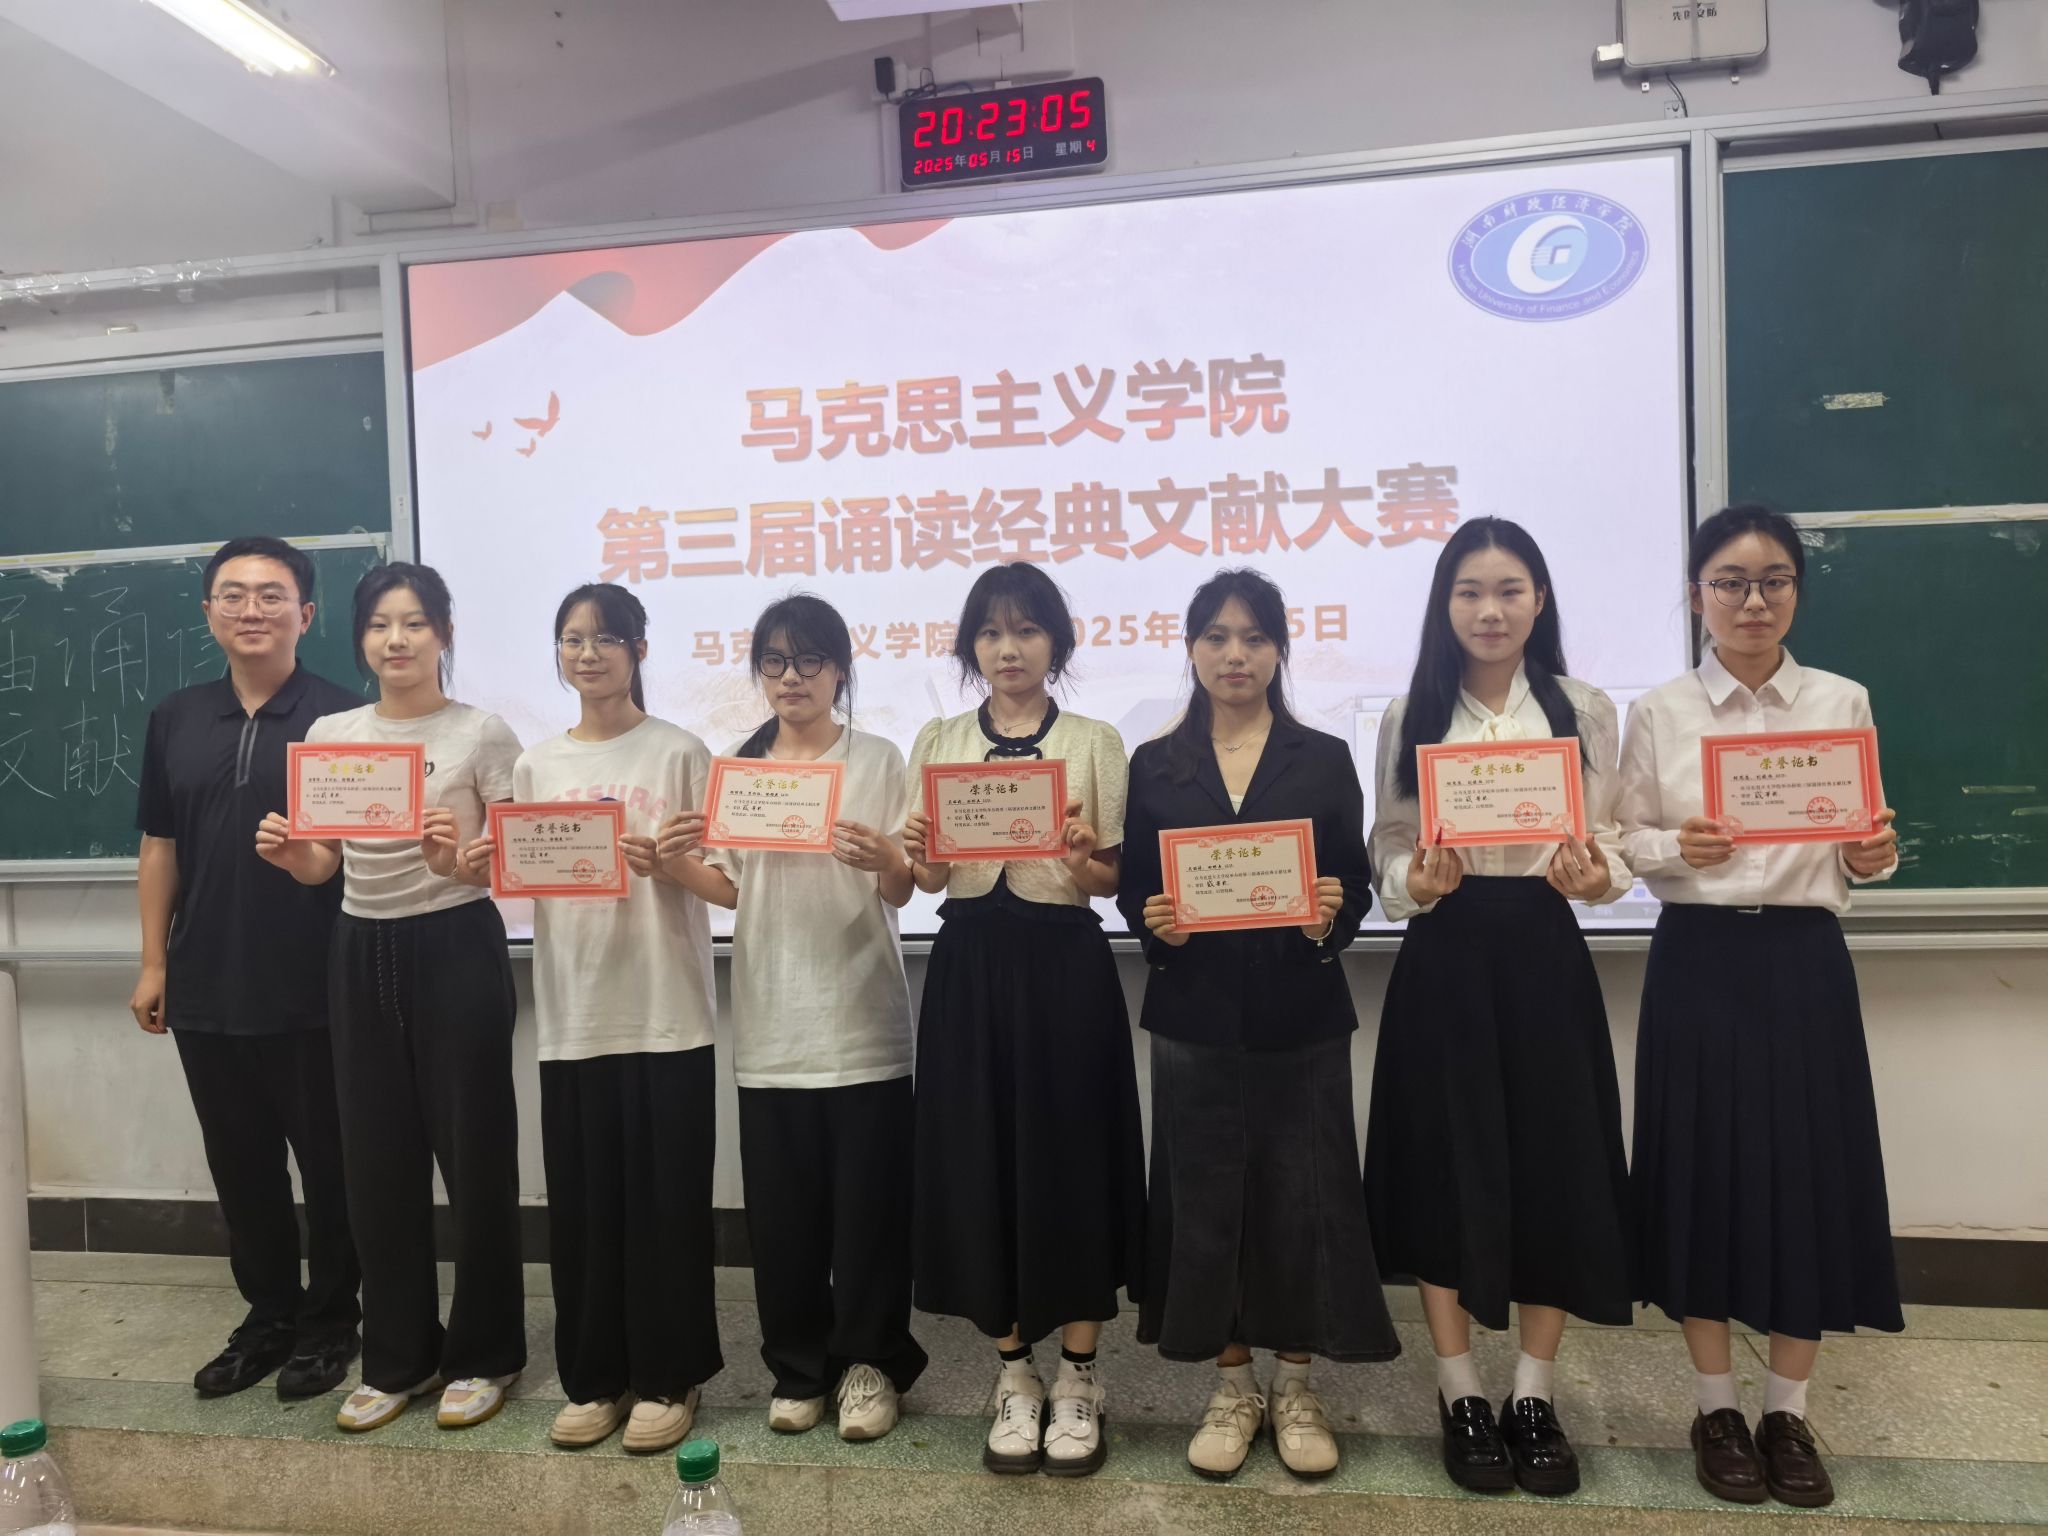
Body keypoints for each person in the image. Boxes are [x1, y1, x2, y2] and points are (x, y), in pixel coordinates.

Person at [1617, 503, 1903, 1510]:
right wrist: (1673, 849)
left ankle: (1786, 1410)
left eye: (1772, 580)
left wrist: (1872, 853)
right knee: (1700, 1173)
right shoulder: (1659, 710)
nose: (1752, 600)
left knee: (1804, 1176)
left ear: (1795, 592)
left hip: (1801, 960)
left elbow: (1862, 843)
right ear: (1696, 593)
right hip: (1697, 960)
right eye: (1729, 582)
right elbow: (1623, 840)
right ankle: (1714, 1408)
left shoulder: (1840, 698)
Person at [1362, 517, 1633, 1497]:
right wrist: (1414, 880)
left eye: (1509, 589)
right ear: (1445, 606)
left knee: (1552, 1165)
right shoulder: (1410, 713)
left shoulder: (1584, 709)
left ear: (1539, 600)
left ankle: (1531, 1392)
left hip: (1542, 955)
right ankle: (1460, 1389)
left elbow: (1607, 844)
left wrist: (1596, 875)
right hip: (1446, 953)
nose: (1489, 610)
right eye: (1469, 591)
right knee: (1444, 1163)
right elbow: (1388, 842)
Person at [1118, 568, 1396, 1482]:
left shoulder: (1321, 757)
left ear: (1279, 649)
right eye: (1216, 637)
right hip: (1193, 1014)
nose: (1234, 655)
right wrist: (1155, 924)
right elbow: (1135, 889)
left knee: (1303, 1196)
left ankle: (1296, 1384)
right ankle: (1232, 1385)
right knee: (1203, 1204)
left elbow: (1352, 884)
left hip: (1299, 1012)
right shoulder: (1154, 763)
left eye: (1254, 638)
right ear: (1191, 649)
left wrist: (1328, 920)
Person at [255, 562, 527, 1434]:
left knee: (475, 1158)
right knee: (375, 1163)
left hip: (455, 943)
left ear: (444, 633)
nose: (396, 640)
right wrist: (293, 858)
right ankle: (399, 1356)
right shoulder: (333, 732)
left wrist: (458, 862)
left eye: (414, 623)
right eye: (379, 624)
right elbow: (324, 862)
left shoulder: (482, 732)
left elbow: (513, 861)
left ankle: (486, 1354)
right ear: (360, 637)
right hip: (358, 946)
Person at [457, 583, 723, 1454]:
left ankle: (670, 1375)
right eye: (572, 639)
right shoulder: (536, 767)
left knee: (667, 1209)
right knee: (582, 1211)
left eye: (606, 638)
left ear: (639, 649)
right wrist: (476, 867)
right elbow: (524, 882)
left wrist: (669, 867)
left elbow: (727, 884)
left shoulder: (681, 752)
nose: (588, 653)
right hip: (574, 1013)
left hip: (666, 1011)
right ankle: (595, 1377)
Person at [901, 562, 1145, 1478]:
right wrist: (921, 854)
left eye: (1028, 630)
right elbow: (926, 879)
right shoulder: (939, 739)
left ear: (1057, 642)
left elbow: (1112, 879)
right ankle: (1014, 1371)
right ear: (973, 645)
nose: (1009, 649)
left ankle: (1078, 1376)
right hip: (968, 964)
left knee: (1071, 1156)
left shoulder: (1093, 741)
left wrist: (1082, 855)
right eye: (992, 632)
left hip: (1064, 969)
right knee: (976, 1156)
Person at [675, 594, 925, 1442]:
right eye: (776, 662)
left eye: (810, 660)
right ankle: (798, 1368)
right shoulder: (739, 771)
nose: (792, 677)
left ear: (840, 670)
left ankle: (869, 1366)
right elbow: (731, 887)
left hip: (862, 1020)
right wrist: (675, 867)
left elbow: (903, 886)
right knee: (783, 1222)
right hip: (773, 1024)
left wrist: (888, 859)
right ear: (760, 673)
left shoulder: (879, 758)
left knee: (870, 1217)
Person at [131, 536, 362, 1400]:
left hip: (316, 983)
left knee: (332, 1167)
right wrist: (154, 961)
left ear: (306, 614)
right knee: (242, 1166)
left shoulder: (343, 720)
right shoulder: (176, 717)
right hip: (206, 984)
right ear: (208, 613)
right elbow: (159, 845)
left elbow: (360, 853)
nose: (251, 610)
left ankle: (331, 1321)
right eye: (233, 595)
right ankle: (268, 1316)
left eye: (272, 595)